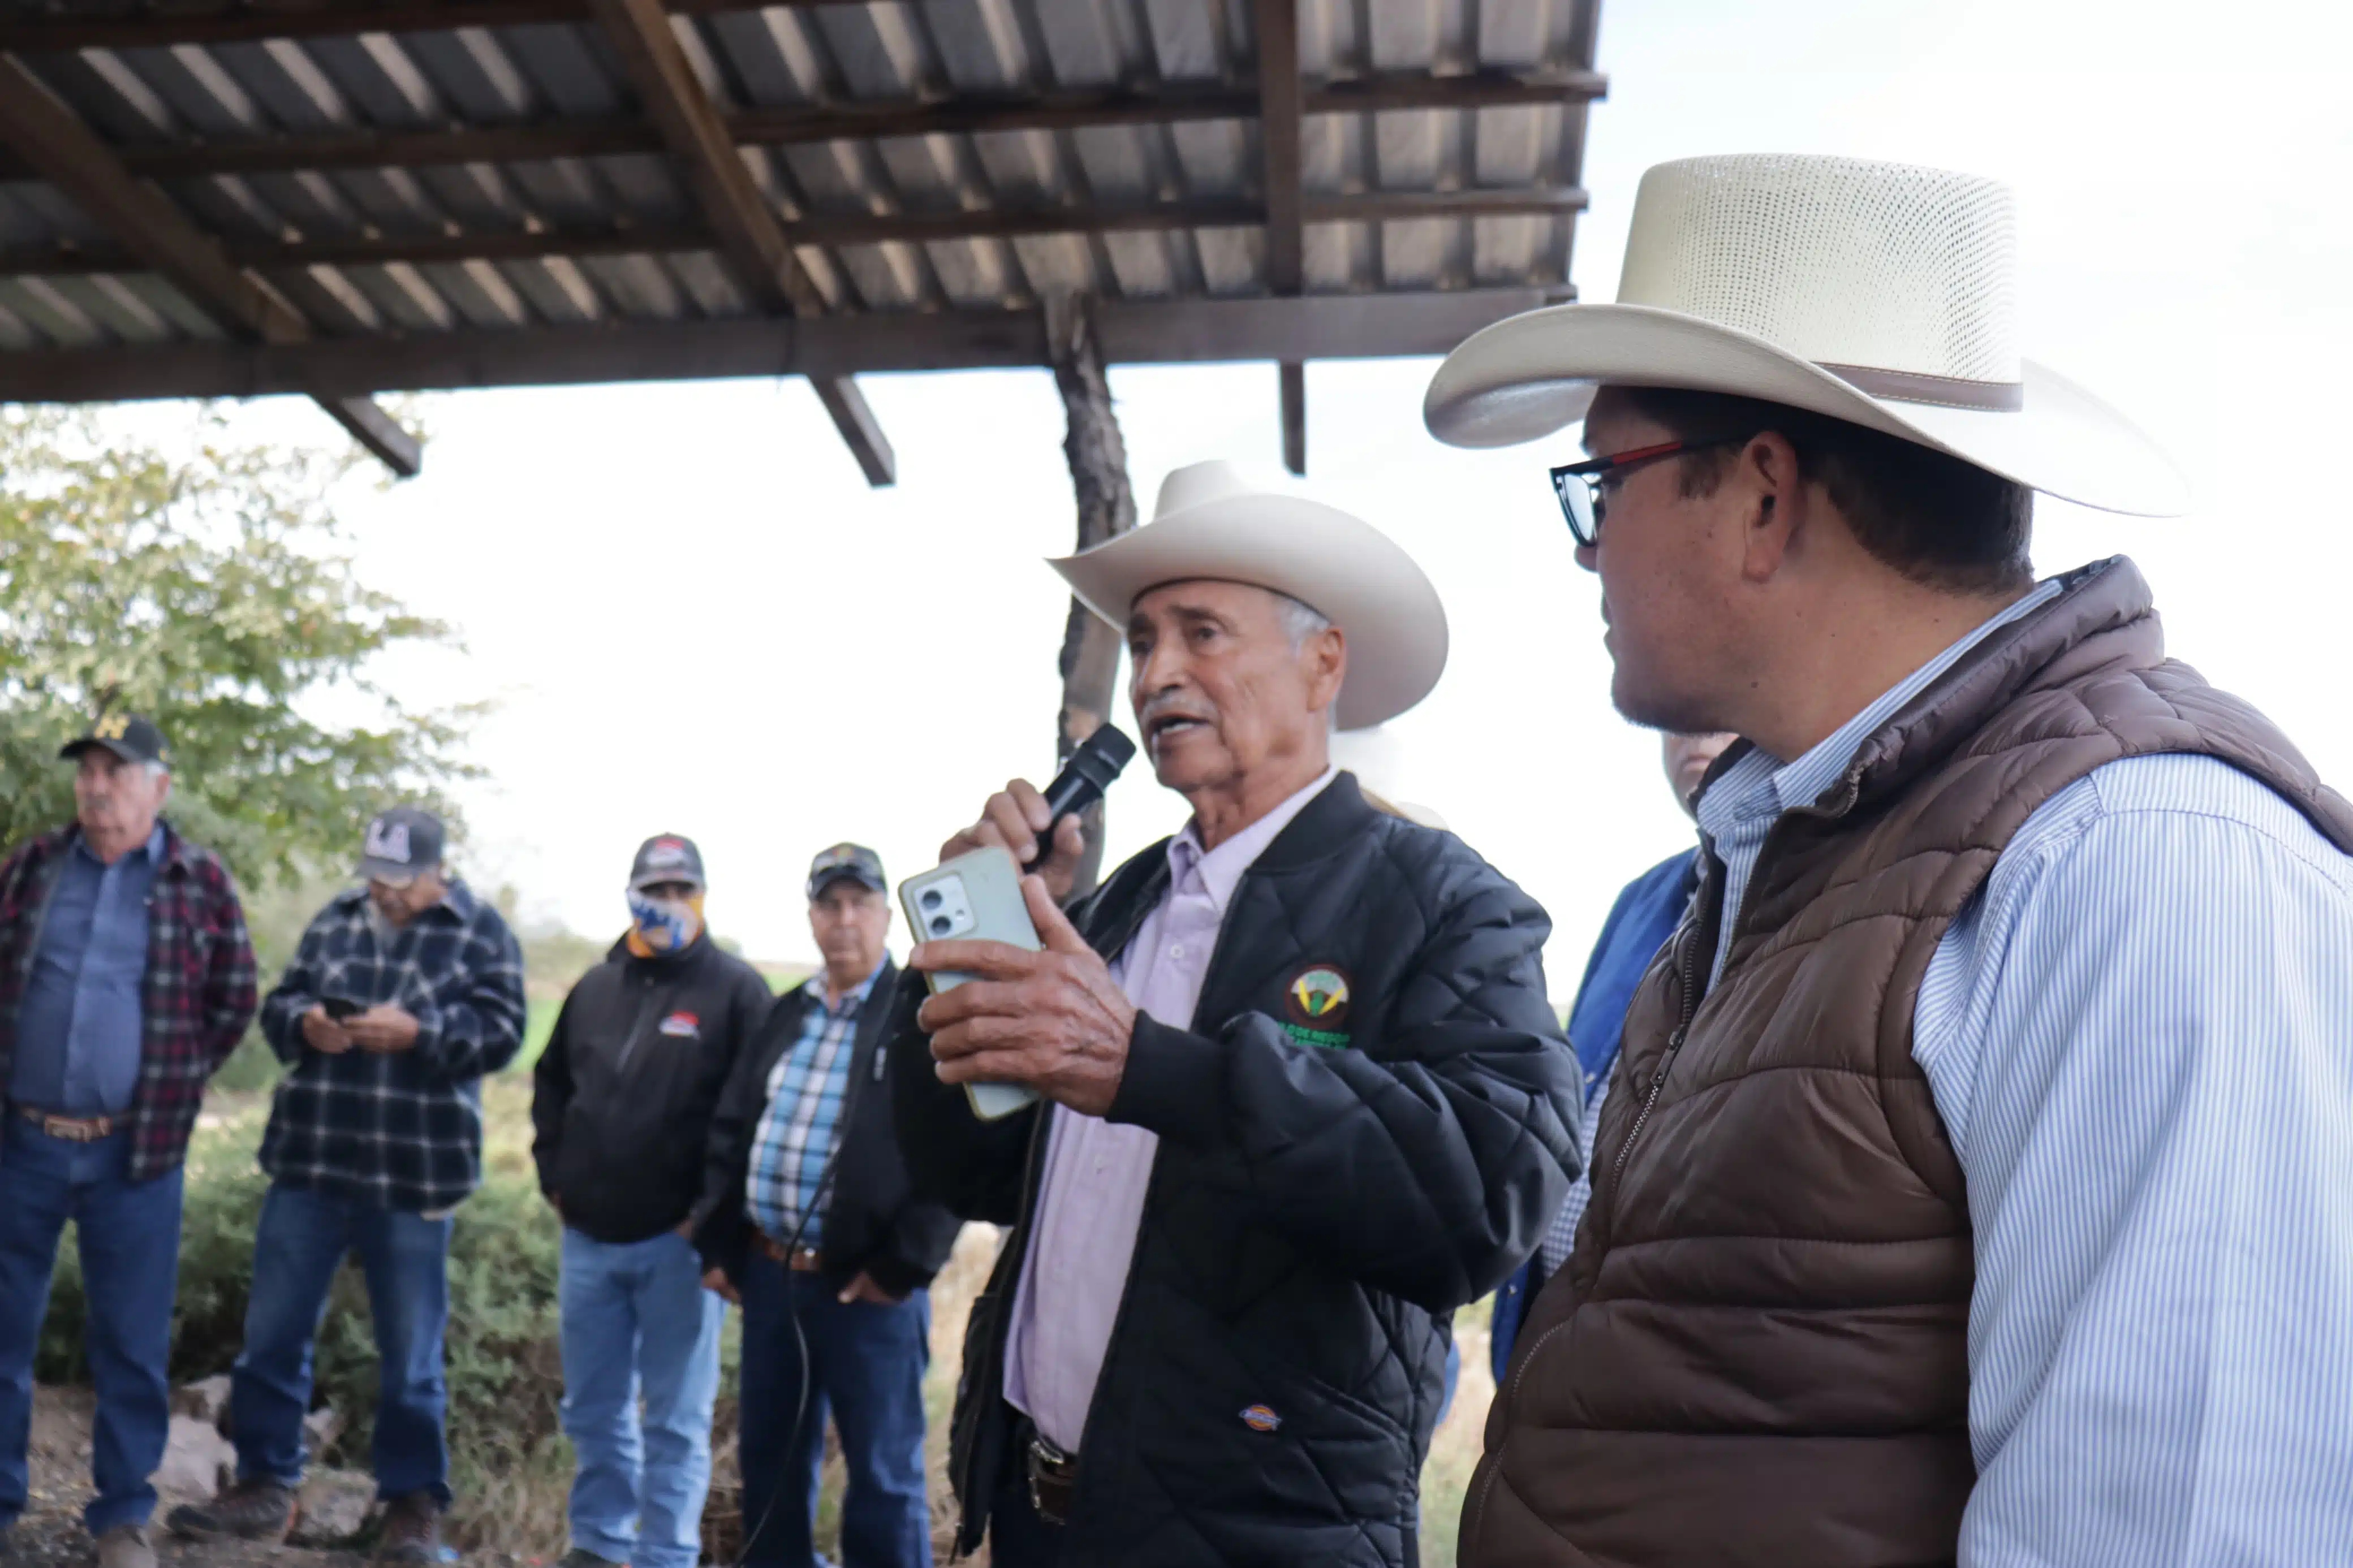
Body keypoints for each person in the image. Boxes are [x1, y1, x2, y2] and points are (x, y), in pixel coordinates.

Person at [1425, 153, 2353, 1565]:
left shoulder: (2139, 864)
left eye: (1597, 486)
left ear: (1759, 498)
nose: (1586, 550)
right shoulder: (1789, 854)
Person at [889, 461, 1583, 1567]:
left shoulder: (1444, 900)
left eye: (1201, 632)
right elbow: (968, 1170)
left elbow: (1489, 1195)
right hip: (1035, 1513)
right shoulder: (1116, 907)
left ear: (1324, 662)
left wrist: (1152, 1069)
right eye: (1143, 638)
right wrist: (960, 952)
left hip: (1257, 1539)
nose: (1157, 671)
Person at [169, 806, 527, 1564]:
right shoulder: (336, 918)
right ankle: (265, 1484)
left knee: (411, 1355)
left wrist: (419, 1034)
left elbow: (502, 1032)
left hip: (414, 1176)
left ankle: (410, 1508)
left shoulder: (483, 931)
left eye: (399, 881)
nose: (384, 893)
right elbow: (282, 1002)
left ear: (437, 873)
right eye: (375, 877)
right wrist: (306, 1025)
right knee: (271, 1336)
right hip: (312, 1160)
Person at [0, 716, 257, 1568]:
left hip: (135, 1155)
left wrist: (171, 1085)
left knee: (132, 1344)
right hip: (22, 1142)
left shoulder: (199, 879)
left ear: (159, 787)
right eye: (88, 773)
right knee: (3, 1331)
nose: (97, 787)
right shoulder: (35, 867)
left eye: (118, 772)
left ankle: (120, 1517)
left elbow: (233, 999)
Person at [693, 843, 960, 1568]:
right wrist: (719, 1248)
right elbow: (732, 1129)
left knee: (882, 1475)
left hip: (867, 1292)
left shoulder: (921, 1013)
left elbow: (956, 1150)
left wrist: (902, 1265)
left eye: (860, 903)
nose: (844, 920)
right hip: (773, 1281)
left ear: (884, 914)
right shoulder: (785, 1014)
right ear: (812, 916)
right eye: (829, 904)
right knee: (772, 1466)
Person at [532, 835, 774, 1568]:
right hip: (590, 1240)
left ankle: (665, 1555)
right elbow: (550, 1086)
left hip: (680, 1247)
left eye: (681, 891)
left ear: (701, 896)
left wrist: (710, 1218)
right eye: (655, 890)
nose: (668, 904)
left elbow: (757, 1112)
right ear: (633, 895)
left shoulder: (736, 991)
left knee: (676, 1420)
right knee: (596, 1409)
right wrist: (555, 1177)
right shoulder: (596, 987)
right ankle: (601, 1544)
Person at [1487, 731, 1730, 1380]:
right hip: (1547, 1347)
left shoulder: (1828, 897)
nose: (1696, 734)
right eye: (1681, 712)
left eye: (1719, 703)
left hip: (1672, 1377)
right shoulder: (1644, 898)